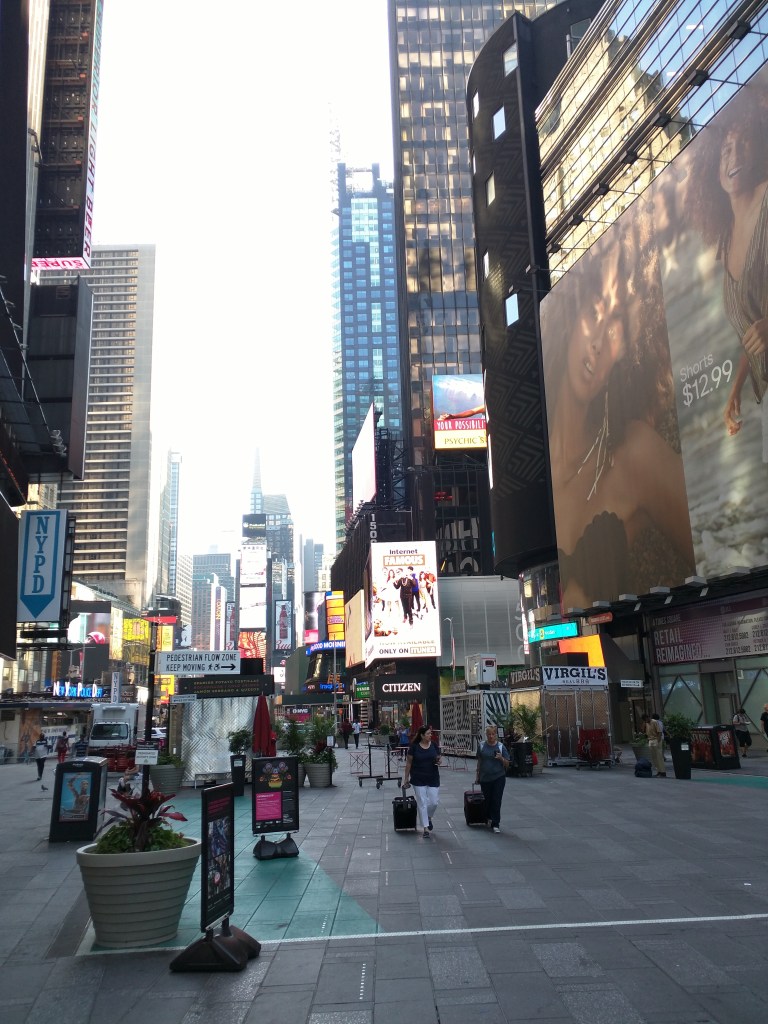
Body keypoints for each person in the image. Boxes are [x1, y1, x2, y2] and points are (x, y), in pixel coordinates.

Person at [543, 231, 696, 608]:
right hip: (541, 656)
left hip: (623, 658)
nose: (597, 339)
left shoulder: (633, 455)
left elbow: (728, 553)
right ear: (572, 320)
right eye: (594, 313)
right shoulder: (533, 472)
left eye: (615, 328)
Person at [688, 84, 768, 459]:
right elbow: (749, 333)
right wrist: (735, 388)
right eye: (725, 149)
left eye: (743, 143)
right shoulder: (726, 240)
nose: (733, 156)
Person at [401, 725, 441, 838]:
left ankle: (428, 817)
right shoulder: (414, 747)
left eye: (430, 733)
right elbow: (408, 763)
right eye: (428, 734)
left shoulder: (434, 745)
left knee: (434, 802)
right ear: (422, 735)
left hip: (433, 777)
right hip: (418, 778)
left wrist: (439, 762)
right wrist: (406, 779)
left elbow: (438, 758)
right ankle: (425, 828)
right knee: (422, 802)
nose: (430, 735)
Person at [475, 725, 510, 833]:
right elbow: (479, 761)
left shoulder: (500, 746)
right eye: (489, 734)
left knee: (496, 800)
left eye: (493, 734)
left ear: (496, 735)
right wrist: (477, 776)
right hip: (485, 778)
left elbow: (508, 764)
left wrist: (501, 758)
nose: (491, 736)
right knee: (487, 800)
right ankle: (489, 817)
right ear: (486, 735)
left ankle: (496, 823)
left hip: (498, 777)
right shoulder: (481, 746)